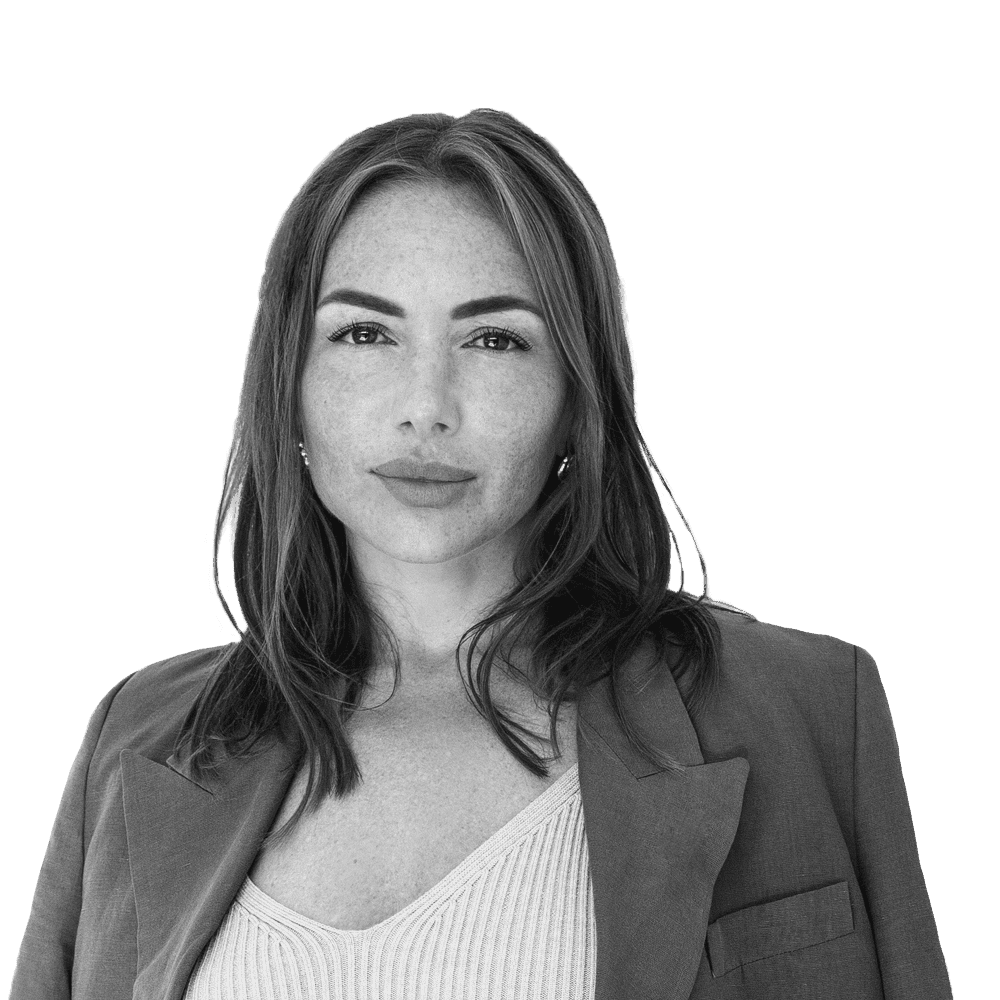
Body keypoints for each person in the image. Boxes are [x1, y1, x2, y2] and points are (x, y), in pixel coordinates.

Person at [10, 109, 951, 1000]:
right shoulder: (140, 736)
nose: (426, 406)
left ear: (577, 396)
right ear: (286, 384)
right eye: (365, 333)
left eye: (496, 339)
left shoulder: (807, 709)